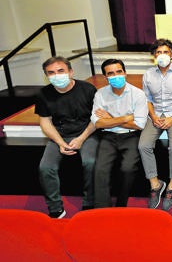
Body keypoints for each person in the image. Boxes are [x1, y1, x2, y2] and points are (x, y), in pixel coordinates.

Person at [35, 56, 98, 218]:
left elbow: (96, 120)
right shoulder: (44, 94)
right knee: (45, 167)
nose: (56, 75)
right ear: (46, 76)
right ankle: (55, 207)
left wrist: (81, 139)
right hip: (60, 135)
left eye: (60, 71)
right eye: (51, 73)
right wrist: (61, 143)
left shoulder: (88, 89)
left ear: (70, 72)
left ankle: (89, 203)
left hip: (86, 133)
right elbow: (45, 122)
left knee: (90, 162)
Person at [137, 39, 172, 211]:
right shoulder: (148, 75)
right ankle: (155, 184)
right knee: (143, 145)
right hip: (156, 115)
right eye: (158, 53)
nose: (162, 56)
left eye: (166, 52)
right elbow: (147, 99)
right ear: (154, 56)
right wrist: (153, 115)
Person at [91, 59, 148, 208]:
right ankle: (102, 208)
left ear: (125, 73)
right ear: (105, 77)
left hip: (131, 136)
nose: (116, 76)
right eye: (111, 73)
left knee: (128, 168)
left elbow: (139, 124)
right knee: (100, 169)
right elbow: (98, 123)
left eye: (119, 72)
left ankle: (122, 204)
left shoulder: (138, 94)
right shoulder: (100, 94)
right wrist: (124, 118)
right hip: (108, 136)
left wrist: (110, 118)